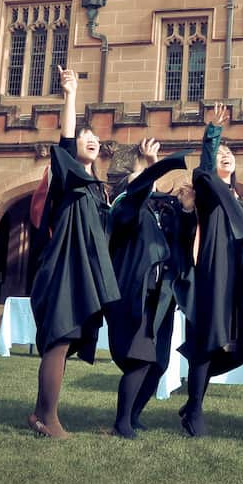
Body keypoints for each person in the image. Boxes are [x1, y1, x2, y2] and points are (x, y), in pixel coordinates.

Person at [26, 67, 120, 440]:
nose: (91, 139)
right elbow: (65, 141)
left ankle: (39, 414)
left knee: (63, 345)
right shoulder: (67, 177)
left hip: (83, 272)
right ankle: (47, 419)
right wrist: (70, 94)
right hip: (64, 268)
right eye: (85, 135)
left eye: (95, 136)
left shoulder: (98, 188)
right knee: (59, 340)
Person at [105, 138, 194, 439]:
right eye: (138, 181)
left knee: (159, 363)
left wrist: (185, 210)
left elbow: (182, 242)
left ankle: (134, 415)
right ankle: (121, 423)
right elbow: (139, 189)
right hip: (137, 292)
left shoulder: (160, 213)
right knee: (140, 357)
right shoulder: (127, 212)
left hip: (163, 295)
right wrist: (153, 166)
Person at [179, 104, 243, 438]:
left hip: (237, 277)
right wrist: (213, 134)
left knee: (227, 346)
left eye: (230, 153)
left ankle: (192, 404)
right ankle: (194, 410)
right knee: (207, 341)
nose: (226, 156)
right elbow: (205, 169)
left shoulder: (239, 199)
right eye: (221, 153)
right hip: (214, 271)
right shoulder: (209, 189)